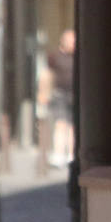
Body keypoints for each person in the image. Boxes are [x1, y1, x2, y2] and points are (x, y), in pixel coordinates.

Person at [44, 29, 75, 168]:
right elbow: (47, 74)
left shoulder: (78, 55)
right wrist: (43, 92)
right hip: (60, 93)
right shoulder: (55, 56)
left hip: (74, 93)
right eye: (70, 40)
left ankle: (71, 154)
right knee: (61, 123)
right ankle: (58, 154)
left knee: (73, 126)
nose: (73, 44)